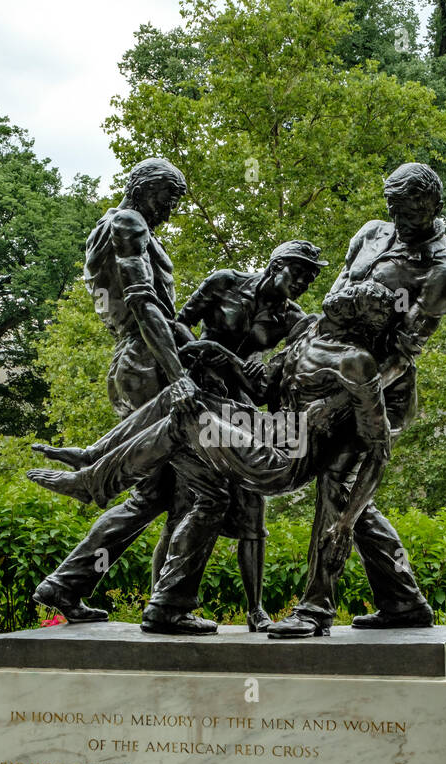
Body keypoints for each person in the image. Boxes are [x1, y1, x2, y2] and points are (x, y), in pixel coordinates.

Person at [29, 281, 398, 637]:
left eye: (357, 300)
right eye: (353, 291)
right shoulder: (310, 333)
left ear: (360, 318)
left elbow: (378, 448)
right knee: (189, 415)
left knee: (187, 417)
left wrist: (347, 521)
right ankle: (162, 602)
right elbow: (259, 387)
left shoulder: (356, 362)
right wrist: (224, 358)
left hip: (286, 454)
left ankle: (93, 483)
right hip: (269, 427)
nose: (344, 295)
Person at [44, 240, 327, 631]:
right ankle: (151, 601)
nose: (302, 284)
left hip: (230, 408)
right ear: (275, 265)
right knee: (166, 500)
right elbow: (177, 322)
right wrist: (197, 352)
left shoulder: (291, 318)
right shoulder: (225, 282)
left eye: (310, 279)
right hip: (192, 390)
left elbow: (271, 382)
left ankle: (87, 562)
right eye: (298, 273)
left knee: (177, 502)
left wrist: (231, 363)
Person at [270, 163, 446, 636]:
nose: (400, 217)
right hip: (335, 366)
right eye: (394, 206)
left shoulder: (441, 275)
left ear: (435, 206)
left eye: (412, 209)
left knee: (337, 480)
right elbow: (336, 298)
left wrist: (340, 405)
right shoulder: (372, 234)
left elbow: (402, 354)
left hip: (379, 389)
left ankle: (315, 608)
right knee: (358, 500)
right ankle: (403, 602)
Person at [31, 157, 206, 632]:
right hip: (148, 361)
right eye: (169, 196)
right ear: (146, 188)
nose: (171, 208)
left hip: (140, 359)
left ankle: (70, 584)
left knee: (158, 496)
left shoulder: (119, 225)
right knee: (195, 490)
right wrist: (178, 374)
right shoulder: (127, 223)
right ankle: (169, 605)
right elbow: (143, 302)